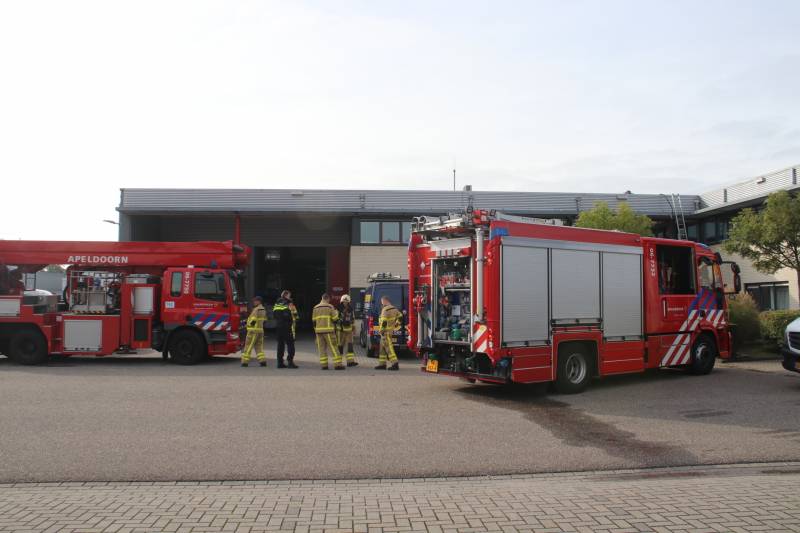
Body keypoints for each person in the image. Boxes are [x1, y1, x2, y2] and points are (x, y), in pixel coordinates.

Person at [312, 293, 343, 370]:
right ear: (327, 299)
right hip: (329, 331)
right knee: (333, 347)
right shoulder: (329, 306)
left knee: (321, 349)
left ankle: (324, 365)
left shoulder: (315, 307)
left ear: (322, 298)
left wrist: (316, 331)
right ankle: (338, 365)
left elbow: (314, 321)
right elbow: (335, 318)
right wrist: (337, 312)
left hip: (319, 332)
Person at [273, 290, 298, 369]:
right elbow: (292, 315)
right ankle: (290, 362)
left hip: (279, 327)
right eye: (289, 295)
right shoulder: (288, 303)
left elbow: (275, 315)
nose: (290, 297)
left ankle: (280, 363)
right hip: (287, 327)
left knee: (280, 345)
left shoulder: (276, 304)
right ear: (286, 295)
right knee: (290, 344)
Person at [375, 295, 402, 371]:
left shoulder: (385, 310)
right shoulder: (394, 308)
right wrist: (397, 323)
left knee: (389, 348)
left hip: (385, 332)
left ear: (385, 301)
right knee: (382, 349)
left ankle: (395, 363)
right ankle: (382, 364)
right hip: (390, 331)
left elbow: (383, 321)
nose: (382, 303)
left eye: (382, 302)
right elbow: (400, 316)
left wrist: (381, 330)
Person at [241, 295, 267, 367]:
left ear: (259, 301)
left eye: (255, 301)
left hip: (253, 331)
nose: (254, 302)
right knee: (259, 347)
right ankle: (262, 361)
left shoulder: (256, 309)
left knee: (248, 346)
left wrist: (247, 325)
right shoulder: (263, 309)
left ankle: (244, 362)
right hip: (260, 331)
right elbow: (264, 320)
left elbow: (253, 320)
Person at [337, 294, 358, 367]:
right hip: (341, 331)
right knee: (340, 346)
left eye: (346, 302)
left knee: (350, 346)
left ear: (348, 302)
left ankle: (350, 362)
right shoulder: (338, 309)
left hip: (349, 331)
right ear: (342, 302)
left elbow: (353, 319)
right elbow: (335, 319)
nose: (345, 303)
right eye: (344, 302)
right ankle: (338, 362)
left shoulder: (351, 309)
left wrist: (354, 328)